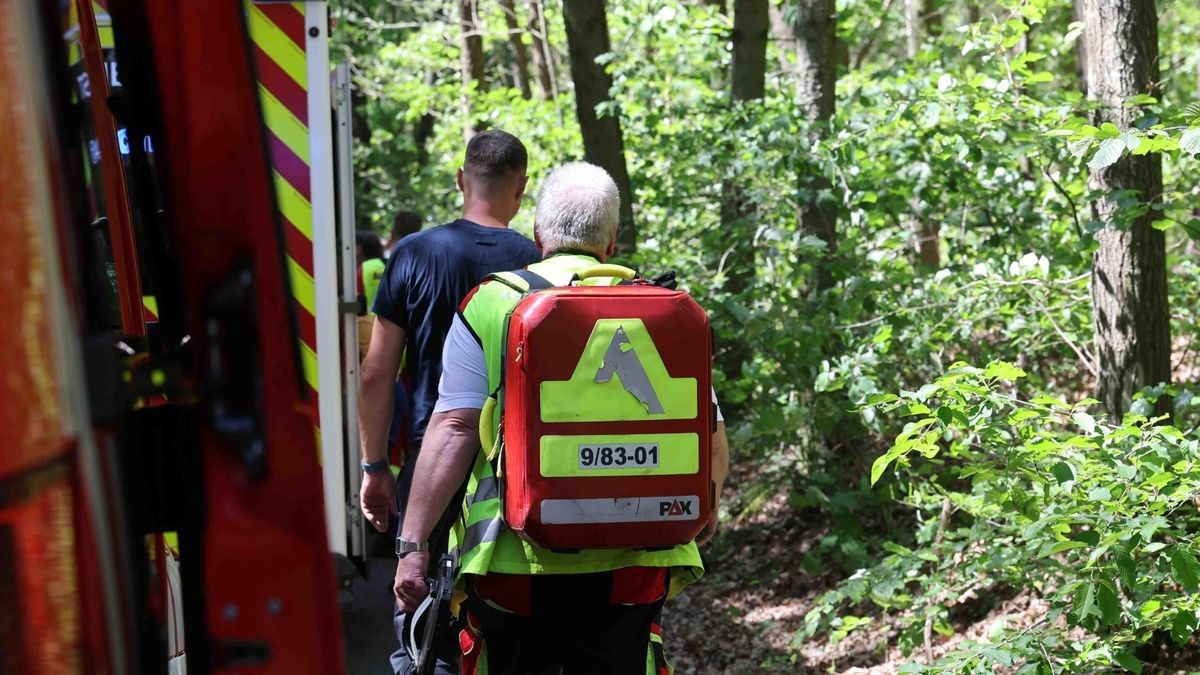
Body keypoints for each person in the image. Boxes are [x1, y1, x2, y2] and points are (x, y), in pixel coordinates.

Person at [393, 162, 730, 674]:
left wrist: (413, 546)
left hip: (515, 561)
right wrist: (705, 507)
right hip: (635, 561)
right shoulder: (663, 311)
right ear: (612, 239)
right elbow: (711, 428)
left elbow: (454, 428)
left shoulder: (493, 303)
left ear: (537, 234)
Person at [359, 131, 542, 674]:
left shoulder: (413, 254)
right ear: (522, 188)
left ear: (462, 180)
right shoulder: (539, 263)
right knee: (509, 620)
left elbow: (376, 374)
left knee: (424, 621)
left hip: (433, 459)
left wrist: (375, 467)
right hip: (516, 470)